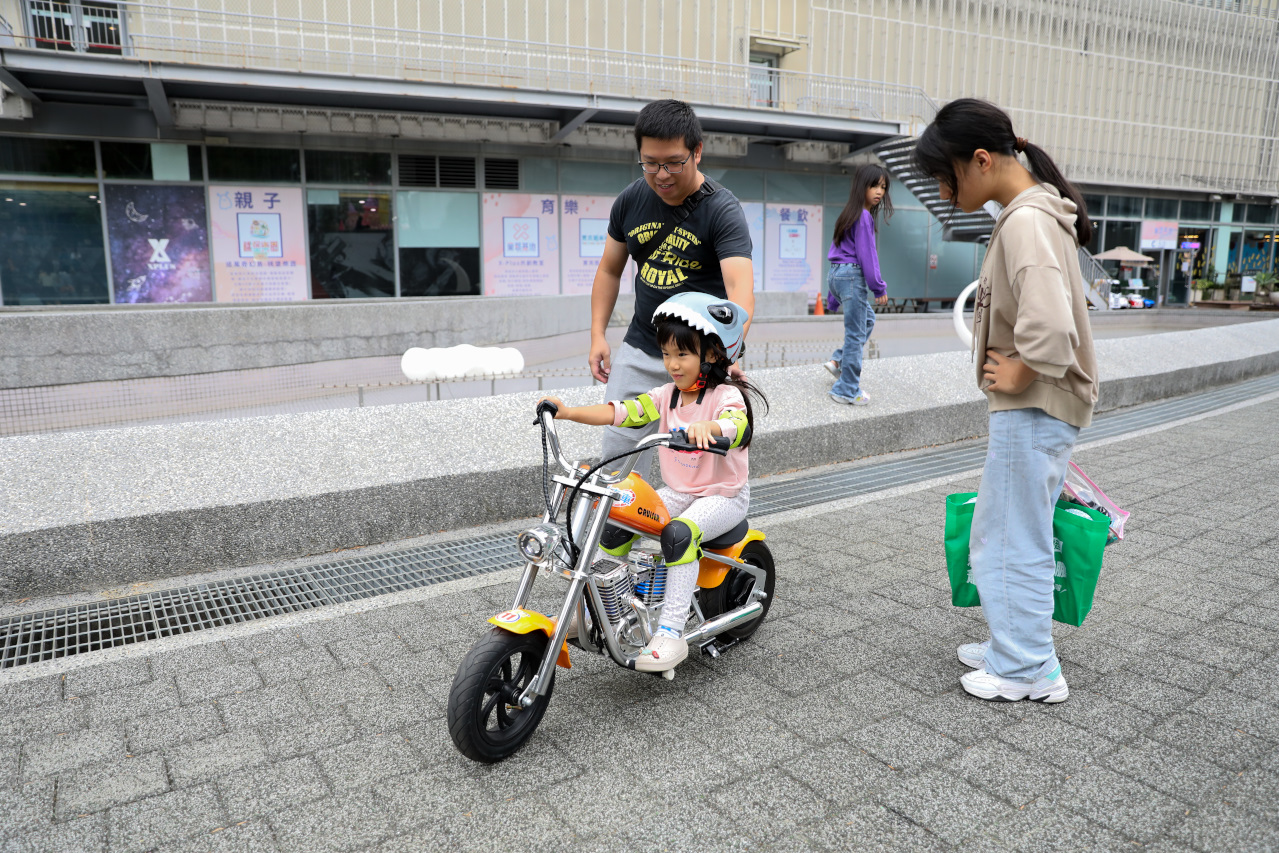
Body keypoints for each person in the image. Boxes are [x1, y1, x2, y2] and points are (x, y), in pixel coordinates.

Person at [912, 98, 1098, 703]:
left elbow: (1051, 328)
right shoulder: (1029, 214)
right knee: (1003, 529)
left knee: (1016, 537)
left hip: (1035, 407)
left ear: (982, 161)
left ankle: (1028, 667)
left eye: (946, 178)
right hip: (1034, 410)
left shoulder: (1025, 221)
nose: (943, 193)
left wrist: (1022, 370)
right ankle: (1012, 643)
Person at [542, 293, 766, 673]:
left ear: (711, 354)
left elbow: (735, 422)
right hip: (680, 492)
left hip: (724, 496)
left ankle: (671, 631)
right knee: (614, 517)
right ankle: (596, 614)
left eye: (682, 354)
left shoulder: (726, 395)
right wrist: (567, 412)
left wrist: (708, 427)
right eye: (666, 354)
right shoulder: (667, 396)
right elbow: (622, 412)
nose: (672, 364)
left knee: (679, 535)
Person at [589, 99, 755, 481]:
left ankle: (686, 535)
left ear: (698, 152)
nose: (661, 174)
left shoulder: (722, 210)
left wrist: (722, 356)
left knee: (699, 467)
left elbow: (740, 295)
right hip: (641, 348)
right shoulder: (630, 200)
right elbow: (609, 270)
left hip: (699, 357)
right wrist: (598, 334)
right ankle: (618, 539)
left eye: (674, 162)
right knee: (617, 460)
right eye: (650, 162)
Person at [823, 164, 892, 405]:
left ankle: (838, 362)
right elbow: (867, 256)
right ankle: (846, 389)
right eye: (874, 185)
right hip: (851, 277)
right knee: (855, 334)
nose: (879, 192)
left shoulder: (848, 214)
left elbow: (835, 255)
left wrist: (833, 298)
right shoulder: (862, 216)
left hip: (837, 276)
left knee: (867, 320)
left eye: (883, 187)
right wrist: (878, 287)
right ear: (861, 186)